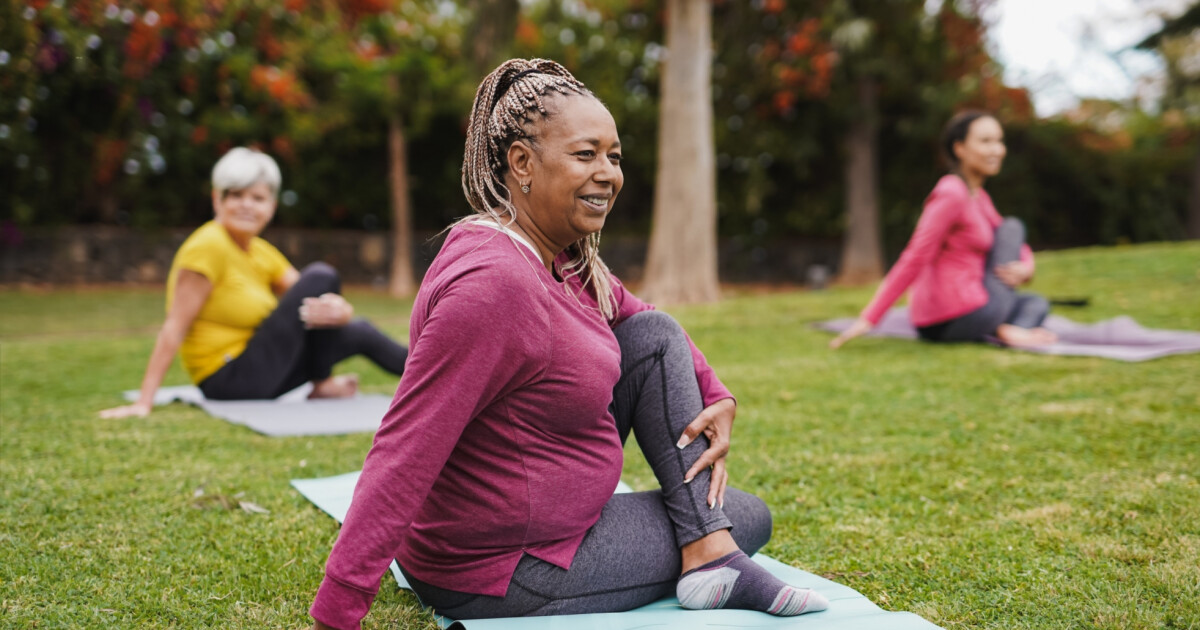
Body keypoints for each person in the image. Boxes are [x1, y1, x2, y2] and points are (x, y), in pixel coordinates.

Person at [308, 59, 829, 630]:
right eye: (586, 155)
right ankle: (710, 551)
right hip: (504, 568)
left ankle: (708, 550)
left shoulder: (559, 257)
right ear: (523, 164)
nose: (607, 173)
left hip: (548, 528)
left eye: (614, 156)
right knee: (748, 515)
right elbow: (406, 446)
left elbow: (647, 322)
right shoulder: (494, 286)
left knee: (652, 340)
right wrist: (339, 607)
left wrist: (718, 393)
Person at [99, 147, 408, 418]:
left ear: (271, 207)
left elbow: (312, 299)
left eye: (257, 198)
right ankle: (322, 383)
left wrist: (341, 311)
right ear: (217, 200)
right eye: (236, 195)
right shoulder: (208, 246)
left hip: (263, 368)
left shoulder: (260, 251)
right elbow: (174, 326)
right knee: (322, 275)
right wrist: (144, 402)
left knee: (360, 330)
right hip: (228, 377)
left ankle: (439, 373)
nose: (247, 205)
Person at [830, 111, 1056, 350]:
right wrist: (870, 317)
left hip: (975, 306)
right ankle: (1003, 328)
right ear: (959, 148)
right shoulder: (952, 193)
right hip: (951, 315)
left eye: (999, 141)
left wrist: (1027, 267)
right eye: (986, 141)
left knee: (1036, 302)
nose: (997, 150)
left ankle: (1005, 329)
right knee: (1013, 226)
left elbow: (1014, 243)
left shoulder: (979, 197)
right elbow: (915, 256)